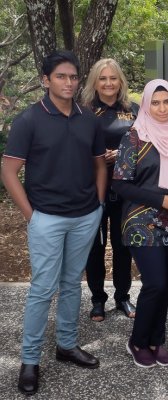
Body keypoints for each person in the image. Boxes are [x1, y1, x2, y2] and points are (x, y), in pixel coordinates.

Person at [1, 50, 107, 395]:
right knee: (43, 289)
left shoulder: (88, 118)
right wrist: (32, 216)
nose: (69, 82)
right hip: (46, 217)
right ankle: (30, 361)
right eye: (61, 76)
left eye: (74, 77)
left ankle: (66, 344)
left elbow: (100, 165)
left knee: (72, 283)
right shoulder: (29, 120)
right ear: (46, 80)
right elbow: (8, 171)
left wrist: (99, 204)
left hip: (85, 215)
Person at [112, 79, 168, 368]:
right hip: (141, 222)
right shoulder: (134, 137)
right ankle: (137, 340)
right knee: (156, 283)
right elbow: (122, 185)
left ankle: (156, 340)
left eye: (167, 101)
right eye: (155, 102)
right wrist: (161, 201)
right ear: (146, 105)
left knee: (165, 285)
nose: (162, 108)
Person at [82, 58, 139, 322]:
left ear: (120, 81)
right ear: (95, 81)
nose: (108, 83)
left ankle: (123, 297)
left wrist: (123, 153)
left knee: (122, 245)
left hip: (125, 189)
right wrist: (95, 156)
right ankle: (97, 299)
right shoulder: (82, 111)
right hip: (91, 188)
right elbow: (72, 146)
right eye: (103, 78)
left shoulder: (134, 110)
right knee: (95, 246)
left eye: (113, 78)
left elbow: (146, 145)